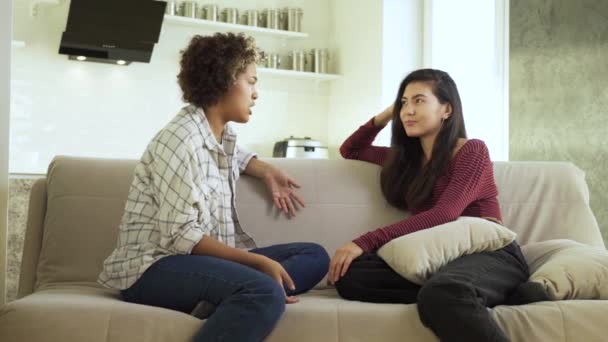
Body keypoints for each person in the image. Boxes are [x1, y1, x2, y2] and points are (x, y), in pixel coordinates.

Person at [98, 33, 330, 342]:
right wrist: (258, 262)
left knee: (314, 255)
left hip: (204, 264)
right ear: (225, 80)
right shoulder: (180, 140)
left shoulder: (221, 137)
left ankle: (228, 295)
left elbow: (236, 157)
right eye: (251, 82)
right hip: (153, 268)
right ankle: (245, 293)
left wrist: (265, 169)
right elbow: (181, 235)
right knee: (263, 291)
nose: (256, 94)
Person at [329, 69, 547, 342]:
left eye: (419, 101)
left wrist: (364, 241)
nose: (408, 110)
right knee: (350, 275)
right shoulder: (404, 160)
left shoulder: (472, 151)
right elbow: (351, 150)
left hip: (489, 252)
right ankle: (490, 294)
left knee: (442, 293)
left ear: (446, 109)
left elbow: (445, 214)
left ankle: (469, 291)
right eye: (403, 103)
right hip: (439, 257)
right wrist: (388, 113)